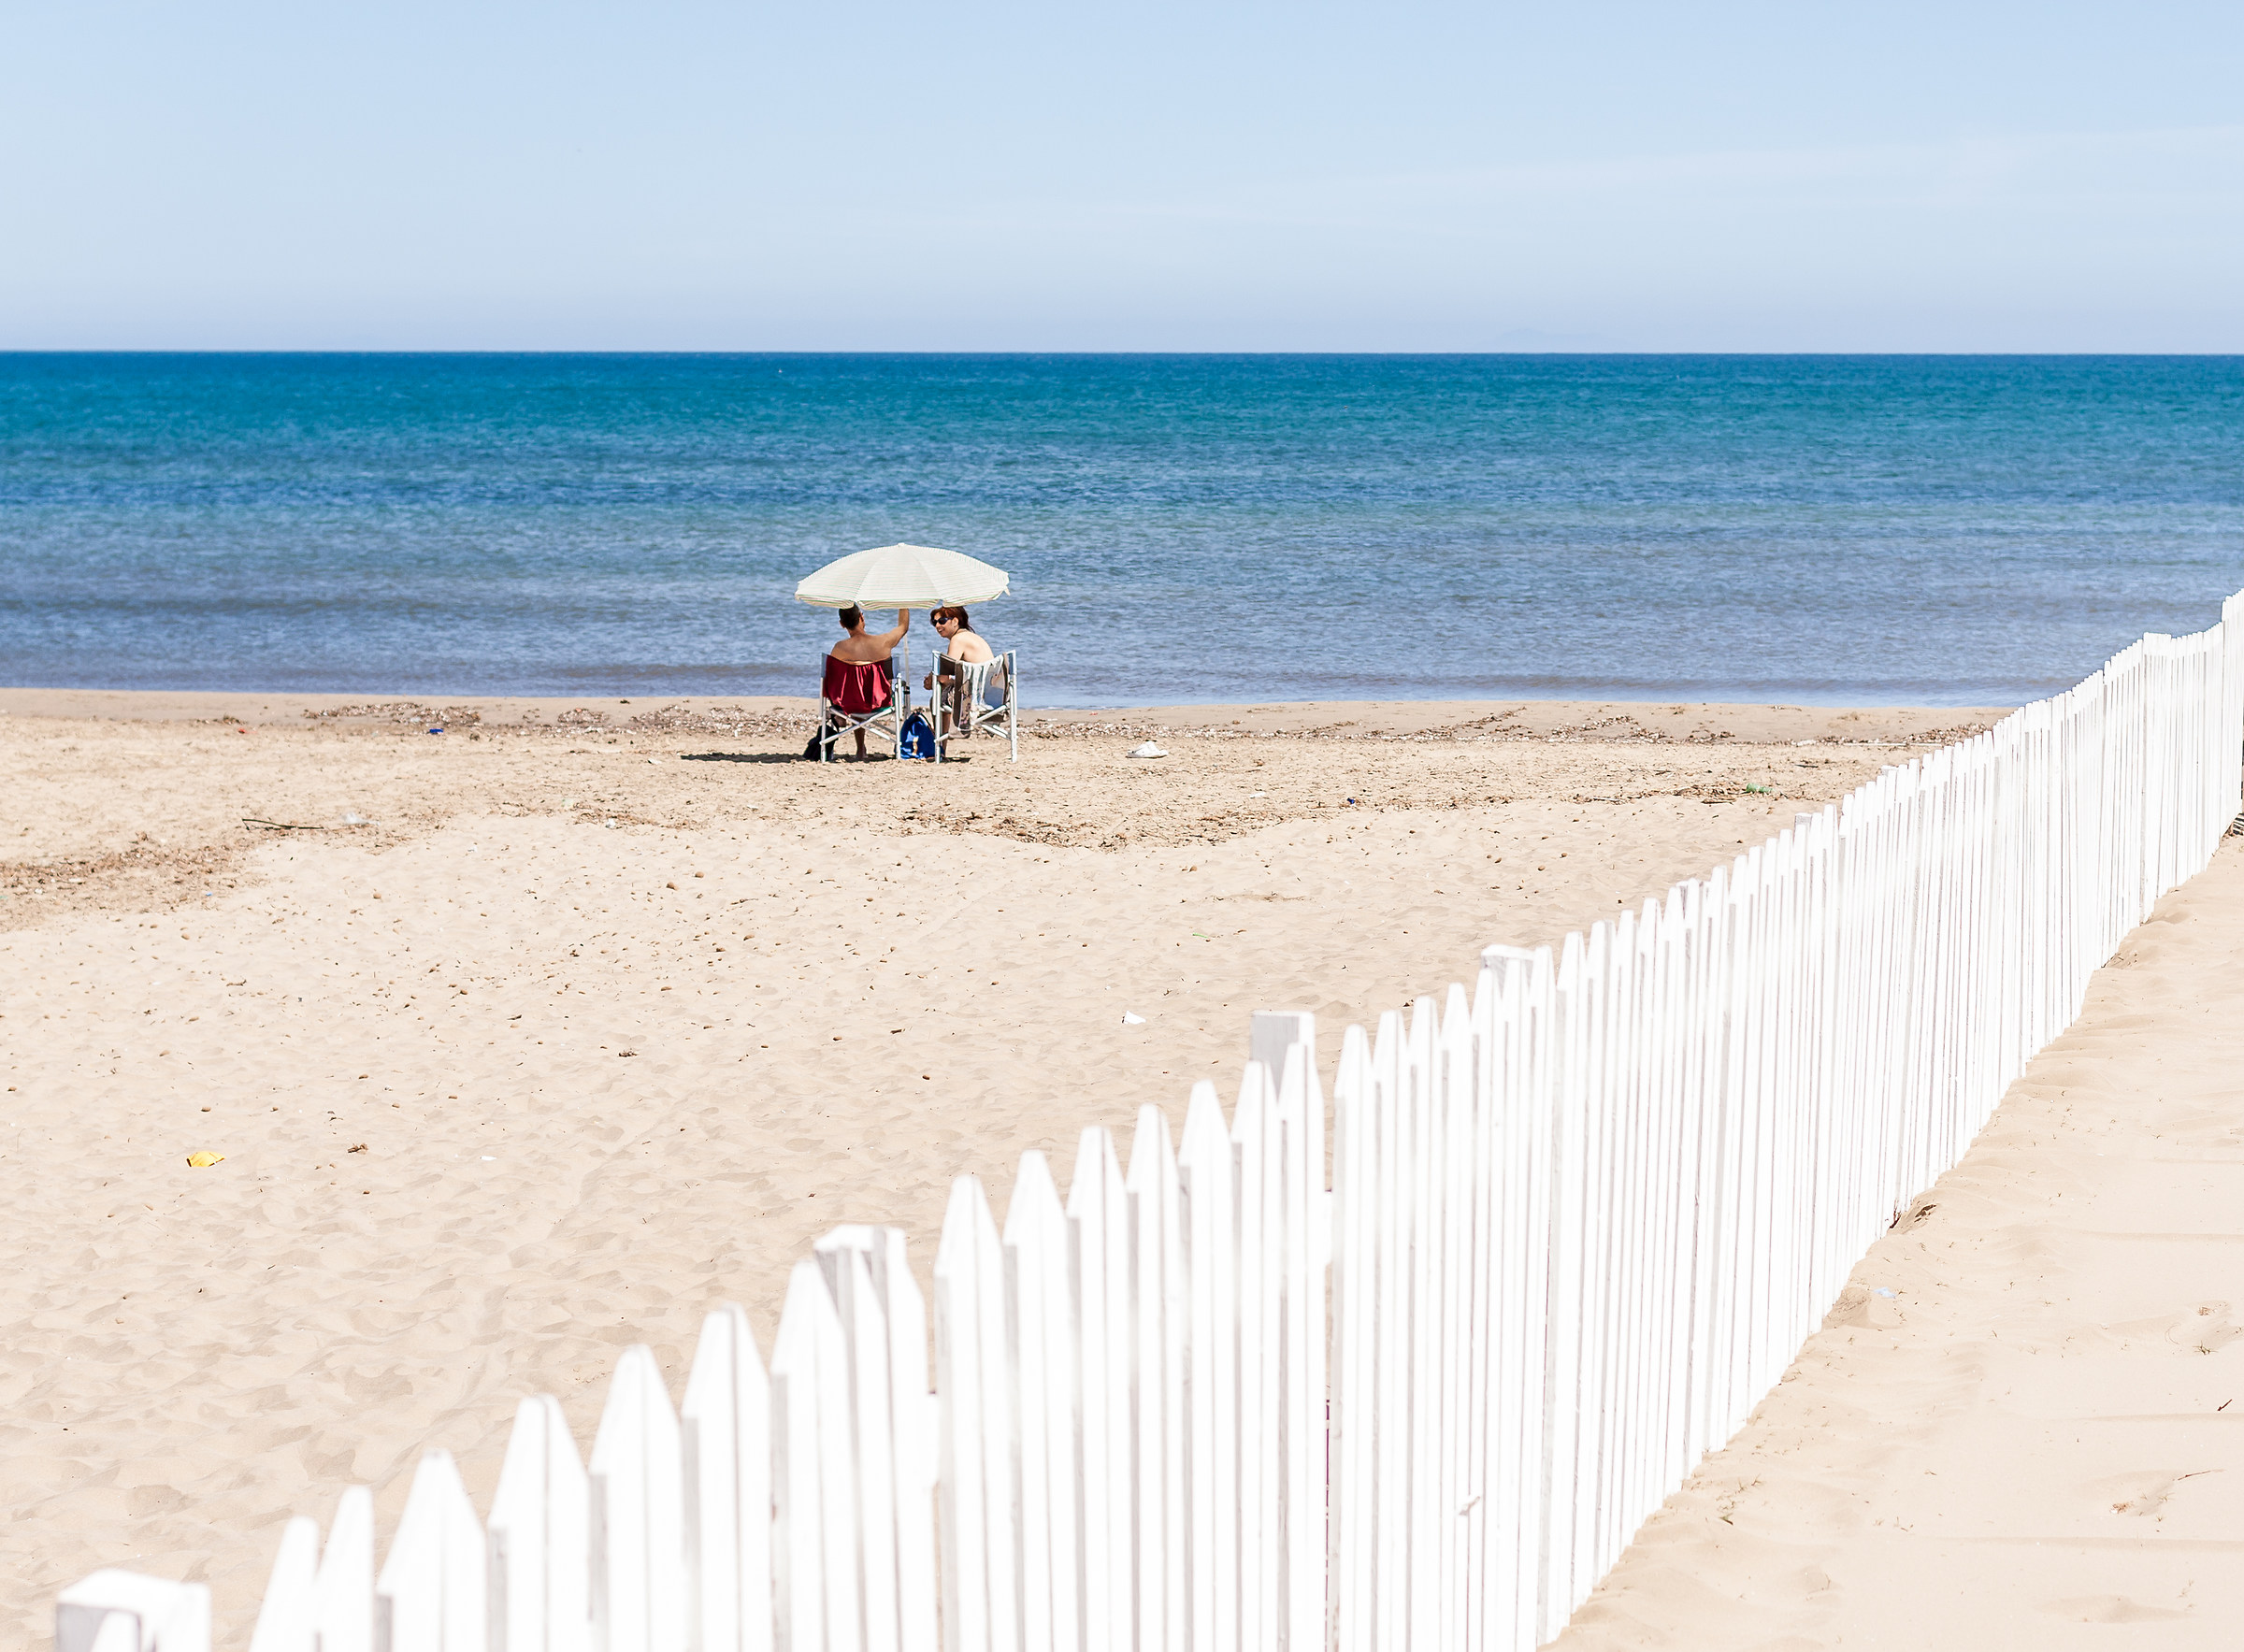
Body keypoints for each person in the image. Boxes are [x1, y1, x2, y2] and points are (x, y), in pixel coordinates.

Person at [825, 604, 909, 758]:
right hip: (880, 701)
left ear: (841, 624)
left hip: (848, 704)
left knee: (855, 692)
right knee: (862, 693)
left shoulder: (839, 648)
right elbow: (903, 627)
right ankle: (865, 748)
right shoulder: (883, 642)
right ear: (861, 617)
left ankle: (859, 748)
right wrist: (902, 603)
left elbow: (832, 681)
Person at [923, 605, 996, 750]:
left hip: (975, 698)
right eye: (934, 622)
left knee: (937, 697)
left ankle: (940, 745)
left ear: (955, 621)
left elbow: (943, 677)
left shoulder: (958, 639)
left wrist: (932, 680)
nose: (937, 625)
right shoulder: (973, 637)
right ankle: (942, 739)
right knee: (944, 688)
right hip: (993, 696)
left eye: (942, 621)